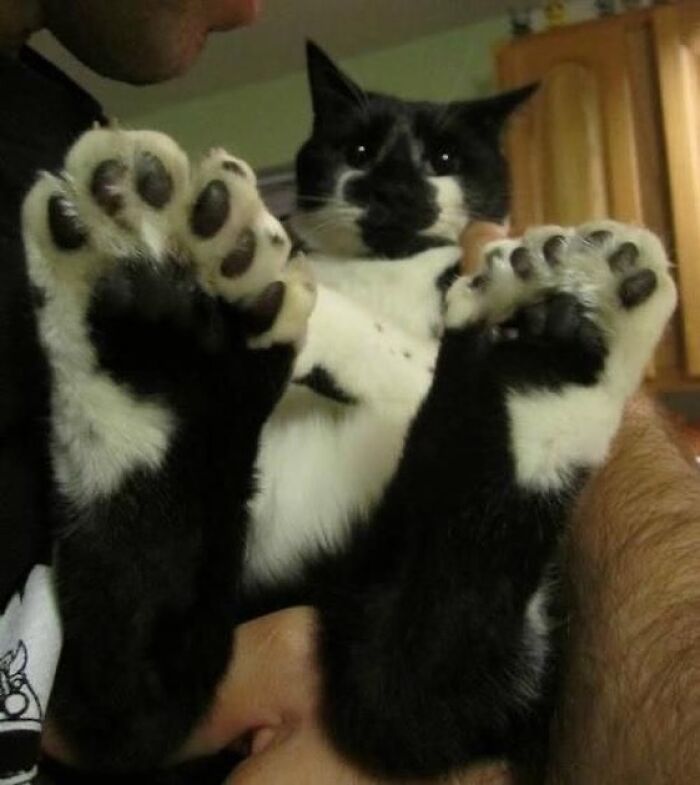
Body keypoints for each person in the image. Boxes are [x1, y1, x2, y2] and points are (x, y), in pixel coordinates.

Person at [1, 3, 699, 784]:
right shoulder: (262, 260)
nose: (248, 8)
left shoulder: (61, 119)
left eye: (437, 159)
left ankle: (515, 438)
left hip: (367, 575)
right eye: (365, 149)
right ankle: (141, 432)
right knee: (174, 666)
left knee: (419, 653)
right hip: (267, 594)